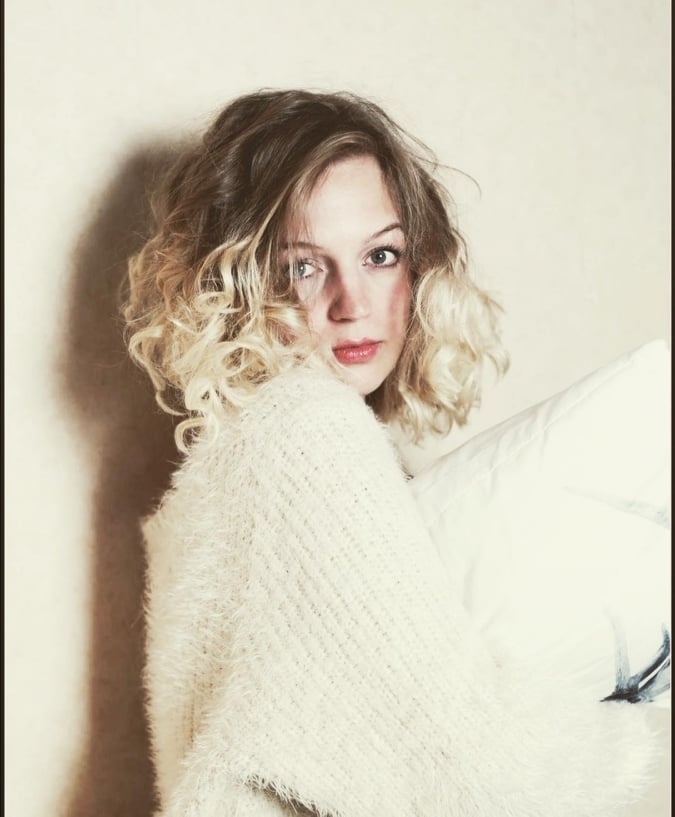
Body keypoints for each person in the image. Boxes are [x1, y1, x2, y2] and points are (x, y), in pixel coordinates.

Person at [123, 89, 667, 817]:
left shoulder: (247, 453)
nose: (352, 302)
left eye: (380, 255)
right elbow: (477, 780)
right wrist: (632, 705)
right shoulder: (305, 435)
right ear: (239, 282)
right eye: (302, 266)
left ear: (419, 266)